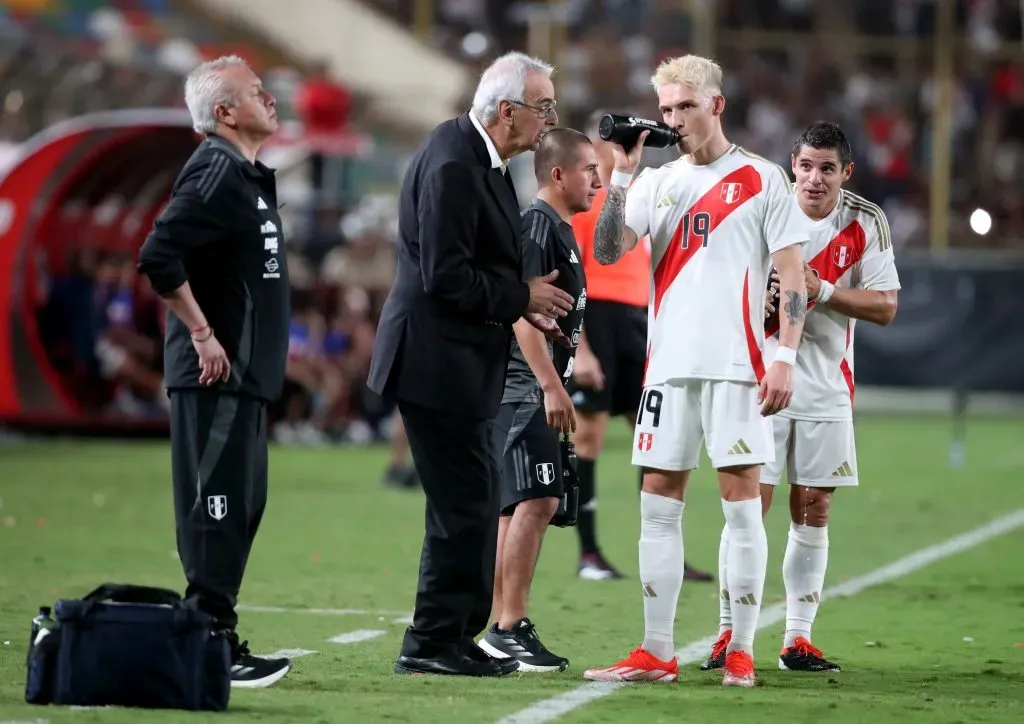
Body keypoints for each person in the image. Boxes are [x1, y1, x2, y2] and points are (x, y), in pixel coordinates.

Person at [581, 54, 809, 688]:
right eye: (666, 108)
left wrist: (785, 355)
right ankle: (656, 650)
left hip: (739, 366)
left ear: (717, 104)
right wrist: (622, 177)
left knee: (741, 509)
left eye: (685, 106)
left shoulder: (763, 179)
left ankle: (739, 646)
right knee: (658, 507)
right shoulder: (655, 183)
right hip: (669, 369)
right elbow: (605, 251)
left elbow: (791, 275)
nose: (674, 118)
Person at [367, 51, 573, 678]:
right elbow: (445, 276)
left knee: (471, 503)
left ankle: (449, 638)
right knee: (465, 506)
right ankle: (432, 642)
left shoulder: (474, 156)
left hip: (456, 361)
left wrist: (524, 302)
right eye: (543, 107)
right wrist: (521, 297)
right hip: (435, 362)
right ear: (507, 110)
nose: (550, 119)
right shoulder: (456, 163)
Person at [701, 121, 900, 673]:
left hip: (826, 382)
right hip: (761, 375)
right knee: (749, 507)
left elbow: (886, 307)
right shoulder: (764, 204)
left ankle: (797, 639)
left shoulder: (865, 220)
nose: (815, 179)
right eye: (807, 166)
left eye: (827, 169)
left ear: (846, 173)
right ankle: (727, 634)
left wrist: (823, 291)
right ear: (794, 165)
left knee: (814, 507)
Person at [137, 55, 292, 688]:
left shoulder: (244, 172)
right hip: (215, 378)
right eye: (257, 92)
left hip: (245, 379)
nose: (271, 98)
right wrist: (202, 334)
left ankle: (214, 633)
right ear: (225, 112)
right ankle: (207, 641)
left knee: (242, 507)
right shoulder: (213, 170)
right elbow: (158, 254)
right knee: (219, 510)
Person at [567, 110, 714, 583]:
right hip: (598, 319)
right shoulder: (586, 202)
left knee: (653, 439)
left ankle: (664, 552)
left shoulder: (647, 192)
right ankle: (588, 553)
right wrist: (582, 348)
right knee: (586, 437)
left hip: (638, 320)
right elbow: (574, 280)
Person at [479, 128, 598, 672]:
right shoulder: (537, 226)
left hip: (537, 385)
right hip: (524, 388)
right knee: (539, 500)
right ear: (558, 174)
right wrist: (550, 384)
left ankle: (503, 623)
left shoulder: (561, 229)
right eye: (588, 169)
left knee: (520, 503)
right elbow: (522, 312)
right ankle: (508, 625)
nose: (595, 179)